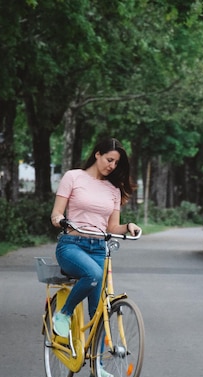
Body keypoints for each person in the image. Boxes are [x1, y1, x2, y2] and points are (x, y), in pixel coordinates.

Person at [50, 137, 141, 342]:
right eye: (109, 159)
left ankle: (96, 369)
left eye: (116, 163)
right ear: (97, 154)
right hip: (72, 246)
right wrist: (60, 220)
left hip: (99, 248)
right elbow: (56, 213)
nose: (112, 166)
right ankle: (64, 313)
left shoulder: (114, 190)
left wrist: (128, 227)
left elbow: (112, 227)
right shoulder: (73, 177)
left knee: (99, 312)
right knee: (92, 274)